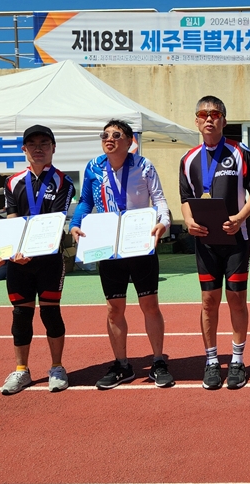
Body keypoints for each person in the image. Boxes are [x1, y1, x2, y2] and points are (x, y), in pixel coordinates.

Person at [70, 119, 173, 389]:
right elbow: (85, 201)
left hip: (139, 244)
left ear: (129, 141)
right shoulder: (94, 167)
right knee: (114, 308)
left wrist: (163, 223)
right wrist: (75, 224)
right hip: (109, 247)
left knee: (149, 305)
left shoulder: (144, 166)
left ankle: (158, 361)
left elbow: (159, 199)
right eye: (105, 135)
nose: (109, 139)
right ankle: (122, 364)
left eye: (116, 135)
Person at [179, 96, 250, 391]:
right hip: (205, 241)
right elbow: (185, 199)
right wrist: (188, 221)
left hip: (236, 239)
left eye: (215, 114)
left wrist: (240, 218)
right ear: (196, 121)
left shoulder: (240, 152)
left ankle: (237, 360)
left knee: (236, 299)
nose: (209, 119)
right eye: (203, 114)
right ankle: (212, 360)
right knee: (208, 301)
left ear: (224, 120)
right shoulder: (188, 158)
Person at [0, 125, 76, 395]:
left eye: (44, 143)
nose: (38, 148)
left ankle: (57, 367)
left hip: (49, 259)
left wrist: (28, 249)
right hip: (20, 261)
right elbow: (12, 220)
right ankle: (21, 370)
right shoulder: (12, 181)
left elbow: (54, 222)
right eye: (32, 144)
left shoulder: (63, 182)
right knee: (20, 316)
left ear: (53, 148)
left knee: (51, 313)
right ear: (24, 149)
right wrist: (6, 252)